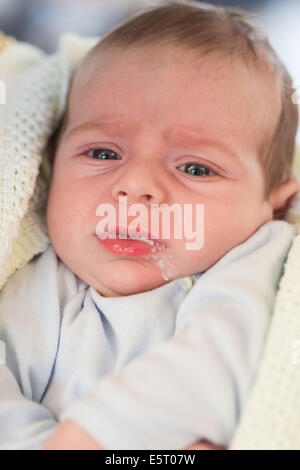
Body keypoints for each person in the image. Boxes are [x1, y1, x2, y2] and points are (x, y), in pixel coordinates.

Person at [0, 0, 299, 450]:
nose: (136, 187)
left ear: (273, 208)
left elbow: (216, 355)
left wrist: (91, 439)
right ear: (49, 162)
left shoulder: (248, 264)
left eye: (196, 169)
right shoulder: (40, 282)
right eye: (103, 154)